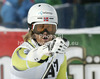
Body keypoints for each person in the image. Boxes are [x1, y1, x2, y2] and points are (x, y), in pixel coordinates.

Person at [10, 3, 69, 79]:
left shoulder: (59, 55)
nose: (45, 32)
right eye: (40, 27)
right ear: (31, 28)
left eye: (50, 28)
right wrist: (46, 49)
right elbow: (28, 60)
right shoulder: (20, 51)